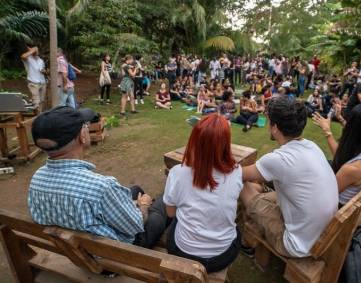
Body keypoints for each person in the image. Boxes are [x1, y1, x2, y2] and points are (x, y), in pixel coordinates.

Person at [28, 106, 169, 248]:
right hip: (112, 255)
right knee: (162, 205)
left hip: (73, 248)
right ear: (82, 136)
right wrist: (143, 206)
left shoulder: (37, 178)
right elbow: (136, 225)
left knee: (135, 189)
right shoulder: (101, 187)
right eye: (85, 126)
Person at [240, 97, 338, 257]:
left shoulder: (278, 159)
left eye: (269, 121)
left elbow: (238, 175)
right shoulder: (312, 146)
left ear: (275, 128)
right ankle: (249, 236)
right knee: (257, 185)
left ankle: (247, 243)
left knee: (242, 185)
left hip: (298, 245)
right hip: (320, 233)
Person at [164, 114, 242, 273]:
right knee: (237, 230)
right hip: (221, 257)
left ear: (195, 140)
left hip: (183, 253)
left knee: (174, 220)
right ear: (226, 143)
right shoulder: (236, 171)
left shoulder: (177, 173)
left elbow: (171, 213)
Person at [312, 103, 361, 205]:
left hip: (332, 209)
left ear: (354, 127)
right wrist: (327, 131)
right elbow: (340, 158)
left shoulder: (353, 169)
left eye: (350, 121)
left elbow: (323, 196)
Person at [21, 45, 47, 112]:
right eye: (33, 48)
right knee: (36, 102)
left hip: (42, 82)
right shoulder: (27, 59)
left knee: (42, 101)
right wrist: (32, 50)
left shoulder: (40, 60)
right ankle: (36, 118)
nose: (36, 50)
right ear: (29, 49)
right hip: (33, 83)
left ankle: (39, 115)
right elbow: (23, 56)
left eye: (37, 49)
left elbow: (43, 70)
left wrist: (45, 71)